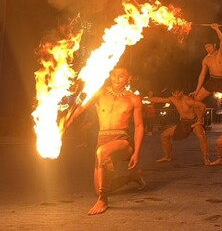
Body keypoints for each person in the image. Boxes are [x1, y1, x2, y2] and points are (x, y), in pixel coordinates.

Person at [64, 66, 146, 215]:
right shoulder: (100, 93)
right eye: (114, 75)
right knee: (98, 188)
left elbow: (139, 126)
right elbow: (81, 108)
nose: (116, 78)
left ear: (129, 78)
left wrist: (137, 153)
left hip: (122, 140)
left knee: (102, 152)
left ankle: (103, 201)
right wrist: (68, 121)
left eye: (121, 75)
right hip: (102, 139)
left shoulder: (133, 98)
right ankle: (132, 178)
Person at [147, 85, 210, 165]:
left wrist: (200, 119)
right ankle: (167, 157)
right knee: (164, 135)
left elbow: (203, 106)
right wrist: (146, 99)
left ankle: (206, 159)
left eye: (178, 93)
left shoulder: (187, 100)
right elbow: (159, 100)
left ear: (182, 91)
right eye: (174, 93)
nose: (176, 95)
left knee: (202, 137)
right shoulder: (172, 99)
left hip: (194, 122)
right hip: (183, 123)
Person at [192, 23, 222, 123]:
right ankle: (199, 120)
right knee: (195, 100)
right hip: (212, 81)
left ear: (214, 45)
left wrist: (217, 29)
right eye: (206, 47)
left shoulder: (221, 53)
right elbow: (202, 75)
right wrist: (197, 89)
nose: (207, 48)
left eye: (209, 46)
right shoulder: (205, 60)